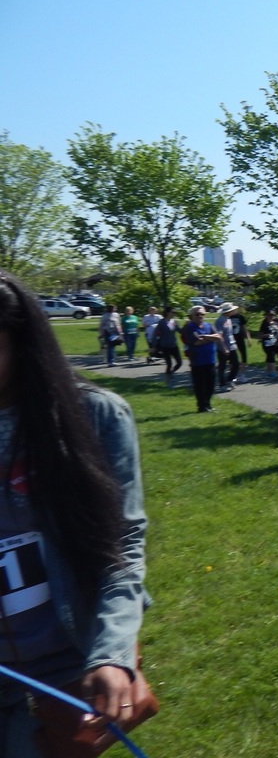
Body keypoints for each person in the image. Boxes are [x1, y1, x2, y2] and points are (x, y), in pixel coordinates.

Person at [0, 272, 148, 751]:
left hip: (67, 667)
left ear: (20, 343)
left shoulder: (95, 417)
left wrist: (112, 654)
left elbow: (121, 546)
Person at [181, 305, 223, 412]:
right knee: (200, 386)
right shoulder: (189, 327)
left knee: (211, 385)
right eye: (197, 314)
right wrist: (211, 338)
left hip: (211, 360)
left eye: (202, 314)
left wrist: (204, 336)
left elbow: (218, 337)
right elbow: (196, 342)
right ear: (191, 316)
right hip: (197, 361)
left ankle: (208, 405)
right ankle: (202, 406)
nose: (200, 316)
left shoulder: (208, 325)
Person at [214, 303, 241, 391]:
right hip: (223, 347)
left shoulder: (228, 320)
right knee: (222, 366)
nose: (233, 311)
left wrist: (234, 345)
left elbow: (230, 334)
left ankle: (229, 380)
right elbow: (219, 335)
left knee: (236, 364)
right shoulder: (220, 321)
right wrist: (224, 348)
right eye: (231, 310)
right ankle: (222, 385)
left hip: (232, 346)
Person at [155, 305, 183, 385]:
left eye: (175, 312)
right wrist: (154, 345)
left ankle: (170, 373)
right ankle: (168, 380)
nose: (174, 314)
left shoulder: (174, 322)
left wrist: (187, 327)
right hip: (165, 345)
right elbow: (156, 334)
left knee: (179, 363)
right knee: (169, 364)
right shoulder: (162, 322)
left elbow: (180, 331)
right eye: (172, 312)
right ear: (167, 313)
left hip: (173, 345)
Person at [258, 309, 278, 379]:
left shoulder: (277, 321)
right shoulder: (264, 323)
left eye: (273, 315)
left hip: (277, 341)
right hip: (268, 343)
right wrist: (265, 335)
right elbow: (260, 335)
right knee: (271, 356)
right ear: (266, 316)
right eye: (270, 315)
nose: (272, 316)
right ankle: (273, 372)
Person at [230, 305, 251, 382]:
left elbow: (245, 328)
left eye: (235, 309)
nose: (234, 310)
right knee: (232, 358)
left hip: (240, 338)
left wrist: (248, 338)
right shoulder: (228, 317)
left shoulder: (240, 317)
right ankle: (233, 374)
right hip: (231, 339)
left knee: (243, 356)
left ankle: (242, 374)